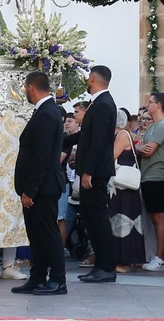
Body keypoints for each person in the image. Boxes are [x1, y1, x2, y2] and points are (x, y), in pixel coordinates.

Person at [12, 70, 67, 296]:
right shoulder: (45, 111)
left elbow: (42, 155)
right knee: (36, 234)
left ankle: (57, 280)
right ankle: (37, 277)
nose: (25, 91)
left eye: (25, 88)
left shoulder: (46, 113)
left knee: (48, 234)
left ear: (31, 87)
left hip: (42, 188)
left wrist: (31, 189)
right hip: (40, 188)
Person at [75, 65, 119, 283]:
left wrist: (88, 171)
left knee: (98, 218)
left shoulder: (103, 104)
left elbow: (99, 140)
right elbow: (86, 135)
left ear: (92, 78)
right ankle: (99, 264)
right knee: (90, 217)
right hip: (92, 169)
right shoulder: (99, 103)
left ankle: (106, 267)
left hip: (96, 171)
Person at [136, 92, 164, 270]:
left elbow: (148, 151)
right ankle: (156, 254)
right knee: (153, 216)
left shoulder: (161, 126)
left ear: (159, 105)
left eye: (151, 102)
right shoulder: (154, 126)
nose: (147, 104)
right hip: (148, 174)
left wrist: (135, 147)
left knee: (159, 216)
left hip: (157, 175)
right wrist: (138, 147)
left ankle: (161, 257)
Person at [106, 111, 143, 273]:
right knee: (115, 221)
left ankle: (125, 260)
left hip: (123, 187)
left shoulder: (122, 135)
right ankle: (115, 257)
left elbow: (111, 156)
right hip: (115, 187)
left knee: (125, 219)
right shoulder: (115, 135)